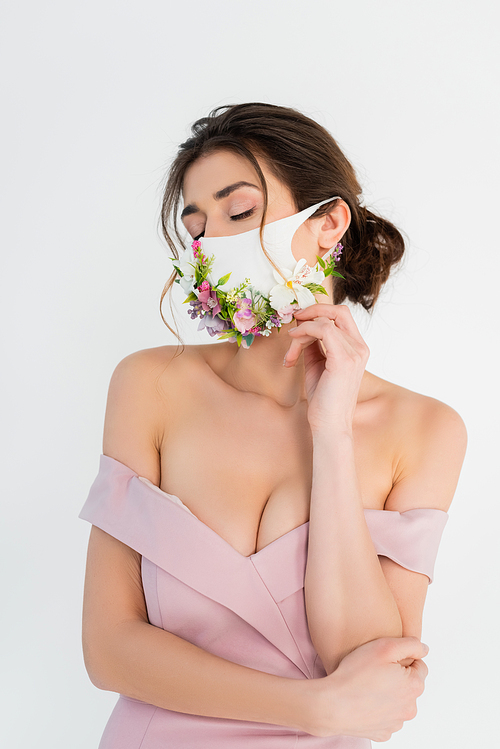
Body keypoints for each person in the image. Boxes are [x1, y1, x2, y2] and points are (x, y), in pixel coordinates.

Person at [79, 103, 467, 748]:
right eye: (197, 227)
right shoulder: (151, 384)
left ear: (328, 223)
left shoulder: (425, 430)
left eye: (240, 214)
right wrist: (312, 710)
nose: (213, 246)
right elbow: (109, 649)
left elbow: (373, 667)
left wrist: (332, 432)